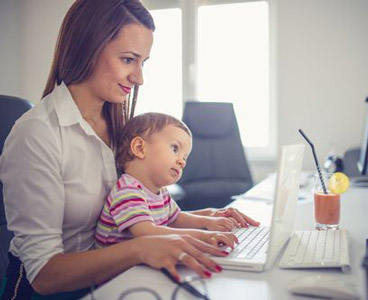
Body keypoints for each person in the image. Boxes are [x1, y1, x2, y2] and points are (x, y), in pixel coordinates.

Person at [0, 0, 258, 299]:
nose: (139, 78)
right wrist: (141, 248)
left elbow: (132, 212)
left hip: (111, 278)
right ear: (87, 48)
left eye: (143, 62)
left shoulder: (121, 127)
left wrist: (206, 217)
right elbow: (45, 275)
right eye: (128, 60)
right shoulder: (37, 133)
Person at [95, 113, 240, 250]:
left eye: (185, 157)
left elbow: (175, 218)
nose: (182, 162)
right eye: (175, 148)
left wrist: (208, 221)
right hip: (119, 274)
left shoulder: (160, 191)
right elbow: (147, 232)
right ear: (139, 148)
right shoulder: (127, 190)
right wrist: (204, 236)